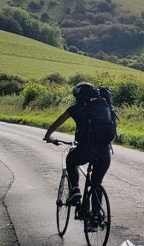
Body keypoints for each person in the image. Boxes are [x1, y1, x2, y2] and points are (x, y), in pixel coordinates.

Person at [44, 82, 112, 220]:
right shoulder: (105, 107)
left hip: (87, 148)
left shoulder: (76, 108)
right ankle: (95, 217)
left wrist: (48, 136)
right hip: (105, 151)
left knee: (71, 160)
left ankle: (75, 190)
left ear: (78, 96)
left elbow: (57, 122)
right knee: (96, 183)